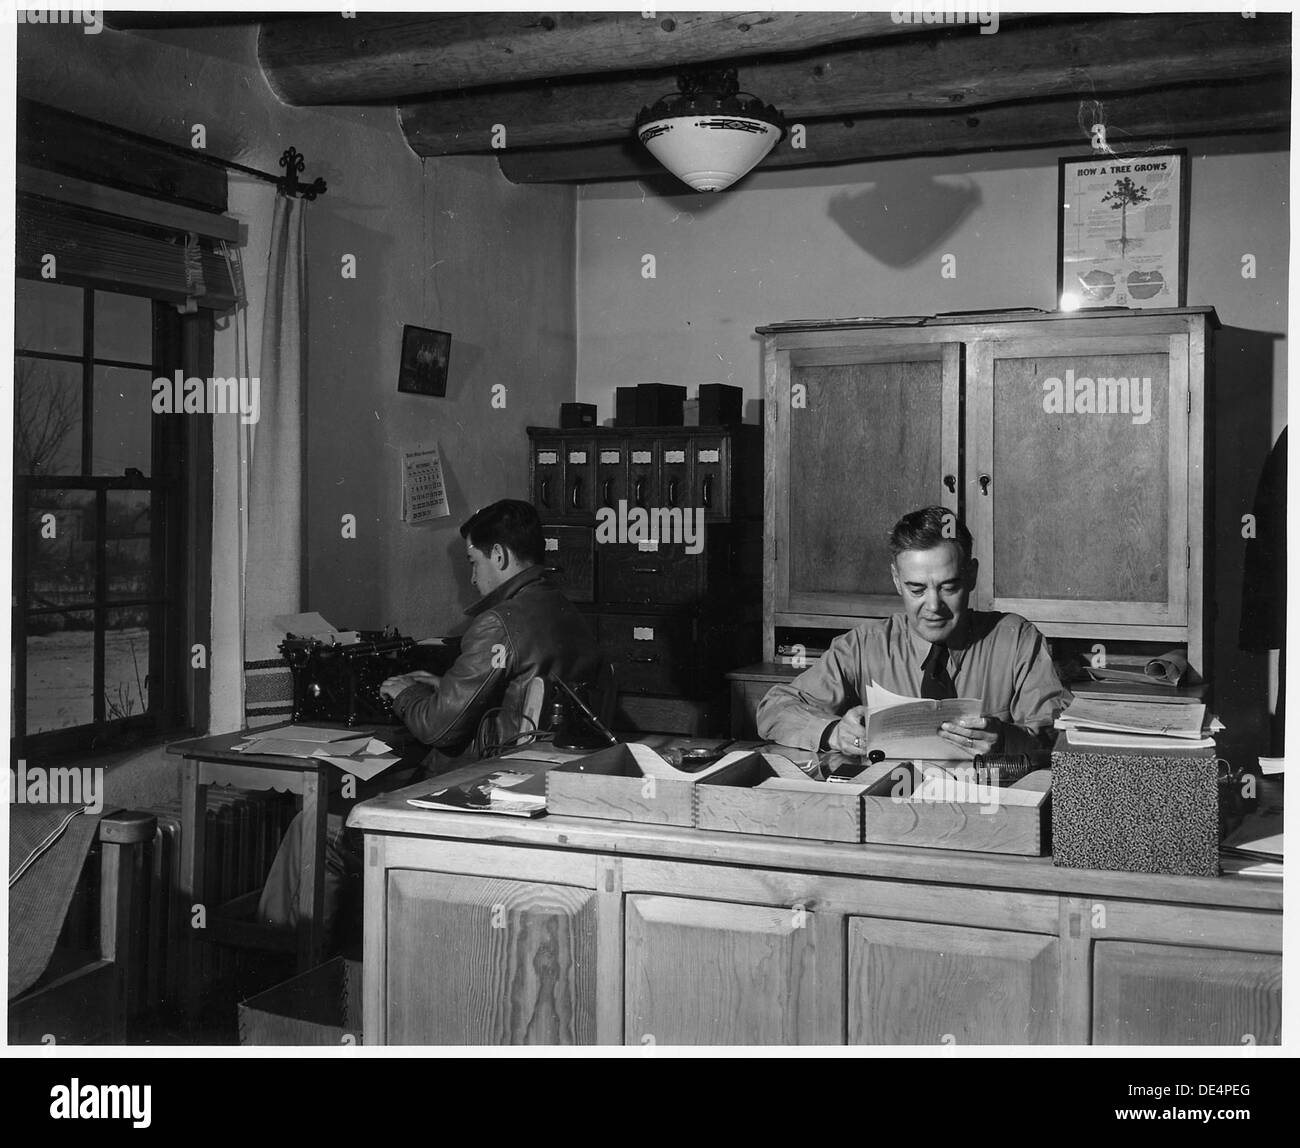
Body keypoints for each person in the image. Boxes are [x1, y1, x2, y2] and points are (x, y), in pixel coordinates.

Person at [257, 499, 603, 932]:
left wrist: (404, 696)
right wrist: (448, 686)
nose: (473, 577)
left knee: (313, 826)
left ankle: (286, 962)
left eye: (474, 563)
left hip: (476, 798)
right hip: (535, 788)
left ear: (499, 555)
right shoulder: (565, 611)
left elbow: (440, 728)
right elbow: (520, 692)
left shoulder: (498, 621)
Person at [756, 506, 1065, 758]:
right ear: (896, 580)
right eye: (916, 588)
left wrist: (1007, 740)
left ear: (971, 576)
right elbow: (774, 708)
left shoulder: (1016, 640)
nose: (933, 605)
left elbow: (1060, 739)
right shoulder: (864, 646)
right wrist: (833, 732)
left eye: (949, 586)